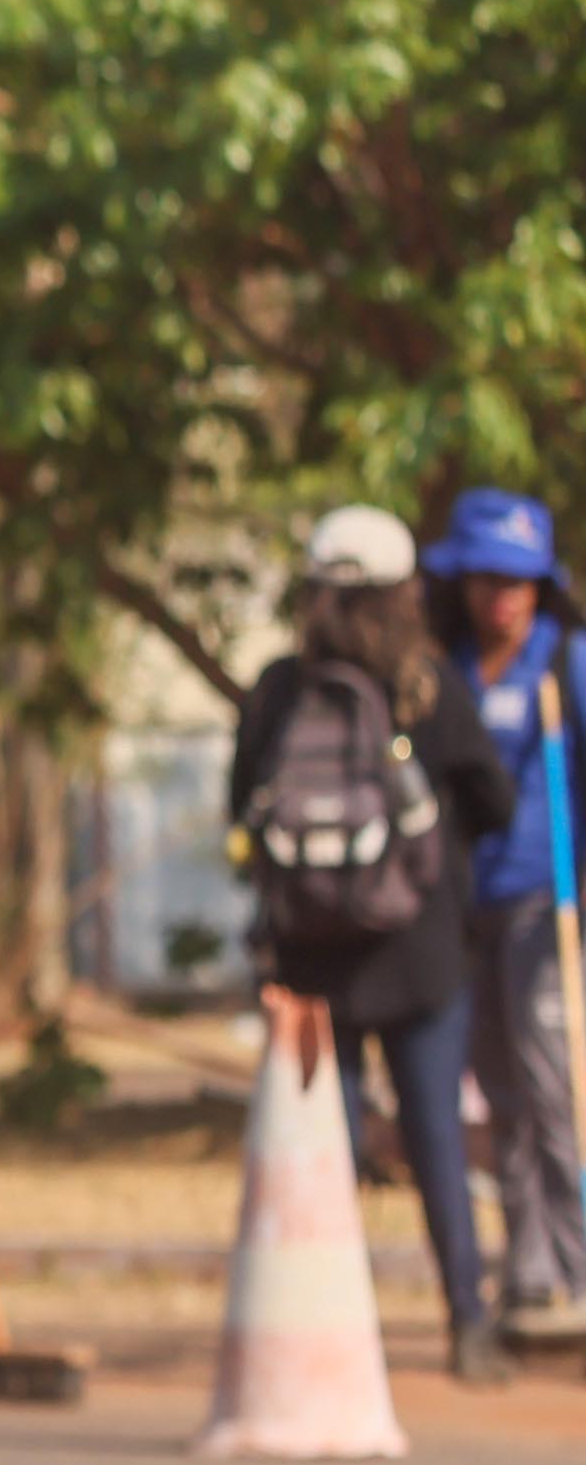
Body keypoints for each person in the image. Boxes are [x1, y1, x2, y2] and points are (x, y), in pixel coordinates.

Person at [236, 503, 522, 1384]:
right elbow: (494, 803)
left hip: (310, 952)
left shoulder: (281, 688)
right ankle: (468, 1323)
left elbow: (241, 805)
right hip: (422, 949)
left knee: (330, 1142)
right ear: (406, 591)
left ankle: (333, 1324)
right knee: (436, 1130)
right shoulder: (427, 682)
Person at [421, 487, 584, 1337]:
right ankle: (529, 1272)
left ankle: (578, 1262)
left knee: (556, 1088)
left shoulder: (565, 664)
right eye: (488, 580)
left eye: (520, 583)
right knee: (502, 1099)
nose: (504, 599)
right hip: (463, 911)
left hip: (543, 907)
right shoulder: (443, 667)